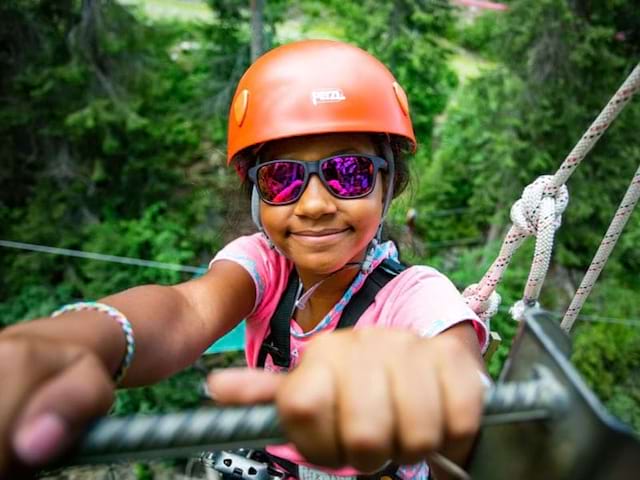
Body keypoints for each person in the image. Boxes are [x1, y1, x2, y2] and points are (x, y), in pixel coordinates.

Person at [0, 40, 489, 479]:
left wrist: (427, 380)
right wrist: (84, 338)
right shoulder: (266, 266)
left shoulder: (417, 295)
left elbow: (456, 372)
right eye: (282, 179)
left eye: (348, 173)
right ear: (257, 197)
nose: (315, 204)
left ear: (389, 185)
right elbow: (187, 310)